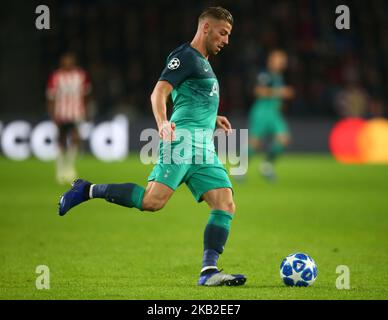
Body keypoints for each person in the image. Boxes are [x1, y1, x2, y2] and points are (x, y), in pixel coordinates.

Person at [58, 7, 246, 287]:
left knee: (225, 203)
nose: (226, 40)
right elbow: (159, 92)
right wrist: (162, 123)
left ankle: (209, 271)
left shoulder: (203, 63)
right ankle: (86, 189)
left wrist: (211, 119)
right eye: (223, 33)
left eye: (228, 35)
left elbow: (189, 97)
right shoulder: (185, 57)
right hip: (180, 142)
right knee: (152, 202)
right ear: (205, 28)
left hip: (203, 147)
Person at [248, 50, 294, 181]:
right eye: (279, 59)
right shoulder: (265, 74)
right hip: (262, 111)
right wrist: (281, 92)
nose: (282, 62)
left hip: (274, 113)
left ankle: (266, 166)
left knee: (284, 139)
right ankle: (240, 167)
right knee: (255, 143)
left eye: (283, 60)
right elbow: (258, 91)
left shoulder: (279, 76)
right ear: (271, 61)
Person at [47, 52, 91, 184]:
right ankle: (60, 170)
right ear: (62, 62)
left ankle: (70, 168)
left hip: (76, 113)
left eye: (70, 61)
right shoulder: (56, 76)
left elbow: (86, 94)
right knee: (61, 140)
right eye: (66, 61)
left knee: (75, 139)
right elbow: (51, 97)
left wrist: (86, 110)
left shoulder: (80, 75)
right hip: (61, 113)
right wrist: (52, 113)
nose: (68, 63)